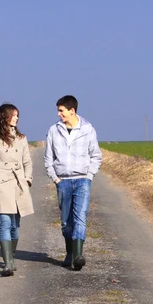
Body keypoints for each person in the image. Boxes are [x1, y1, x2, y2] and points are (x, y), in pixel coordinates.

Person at [44, 95, 102, 270]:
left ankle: (78, 256)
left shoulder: (88, 129)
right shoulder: (54, 130)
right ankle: (69, 252)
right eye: (58, 110)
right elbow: (48, 158)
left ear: (72, 111)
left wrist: (89, 175)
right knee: (66, 221)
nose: (58, 114)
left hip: (82, 180)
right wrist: (56, 179)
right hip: (63, 181)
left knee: (80, 217)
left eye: (61, 111)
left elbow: (96, 155)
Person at [0, 103, 34, 277]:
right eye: (14, 115)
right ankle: (7, 264)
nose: (17, 118)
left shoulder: (22, 138)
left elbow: (27, 161)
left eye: (18, 115)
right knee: (4, 223)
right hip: (3, 184)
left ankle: (11, 257)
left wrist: (27, 179)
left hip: (19, 184)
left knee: (15, 226)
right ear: (4, 116)